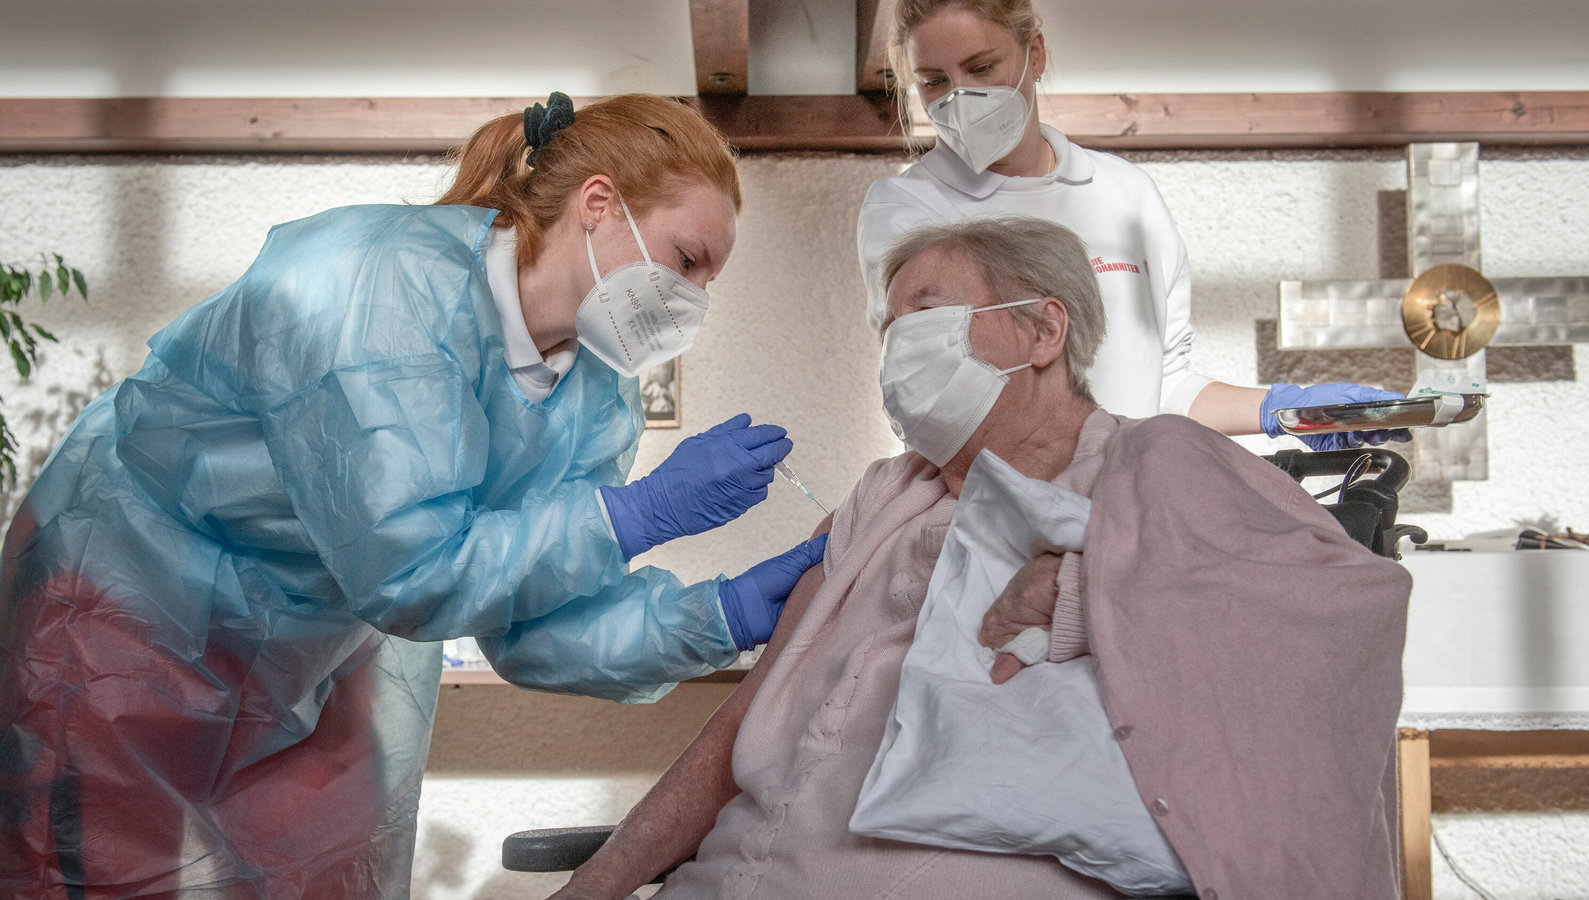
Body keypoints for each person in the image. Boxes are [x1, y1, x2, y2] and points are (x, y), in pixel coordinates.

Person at [0, 93, 825, 897]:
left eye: (709, 281)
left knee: (323, 868)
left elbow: (534, 630)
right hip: (129, 598)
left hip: (313, 636)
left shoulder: (593, 397)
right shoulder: (380, 288)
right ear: (599, 205)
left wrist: (722, 616)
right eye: (687, 262)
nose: (695, 302)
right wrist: (637, 513)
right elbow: (414, 573)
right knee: (98, 868)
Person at [550, 217, 1410, 899]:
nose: (897, 347)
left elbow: (1342, 612)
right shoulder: (886, 493)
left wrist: (1084, 589)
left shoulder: (1156, 461)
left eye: (924, 312)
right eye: (890, 327)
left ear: (1042, 329)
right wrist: (598, 884)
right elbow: (743, 722)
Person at [857, 0, 1409, 451]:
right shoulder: (909, 209)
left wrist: (1284, 409)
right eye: (934, 82)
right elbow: (937, 404)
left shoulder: (1126, 194)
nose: (960, 97)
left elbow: (1162, 386)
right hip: (987, 516)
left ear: (1035, 53)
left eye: (981, 69)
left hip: (1126, 506)